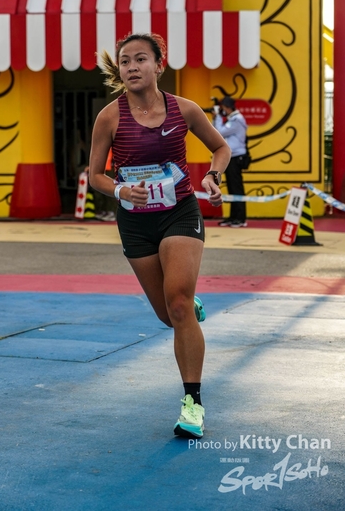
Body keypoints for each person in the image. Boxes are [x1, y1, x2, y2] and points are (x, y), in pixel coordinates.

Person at [89, 33, 231, 439]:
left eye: (140, 59)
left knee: (179, 306)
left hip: (179, 212)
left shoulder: (184, 109)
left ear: (159, 65)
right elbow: (95, 174)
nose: (132, 67)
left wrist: (213, 176)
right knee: (168, 315)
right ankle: (183, 298)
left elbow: (220, 149)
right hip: (136, 222)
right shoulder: (109, 117)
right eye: (125, 61)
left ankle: (193, 404)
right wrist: (120, 190)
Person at [212, 96, 248, 227]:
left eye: (223, 108)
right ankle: (233, 217)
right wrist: (216, 118)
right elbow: (215, 131)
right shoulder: (232, 119)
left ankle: (240, 218)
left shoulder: (237, 120)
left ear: (228, 108)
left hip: (236, 157)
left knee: (236, 187)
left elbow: (220, 132)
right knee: (232, 188)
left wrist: (217, 117)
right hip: (231, 157)